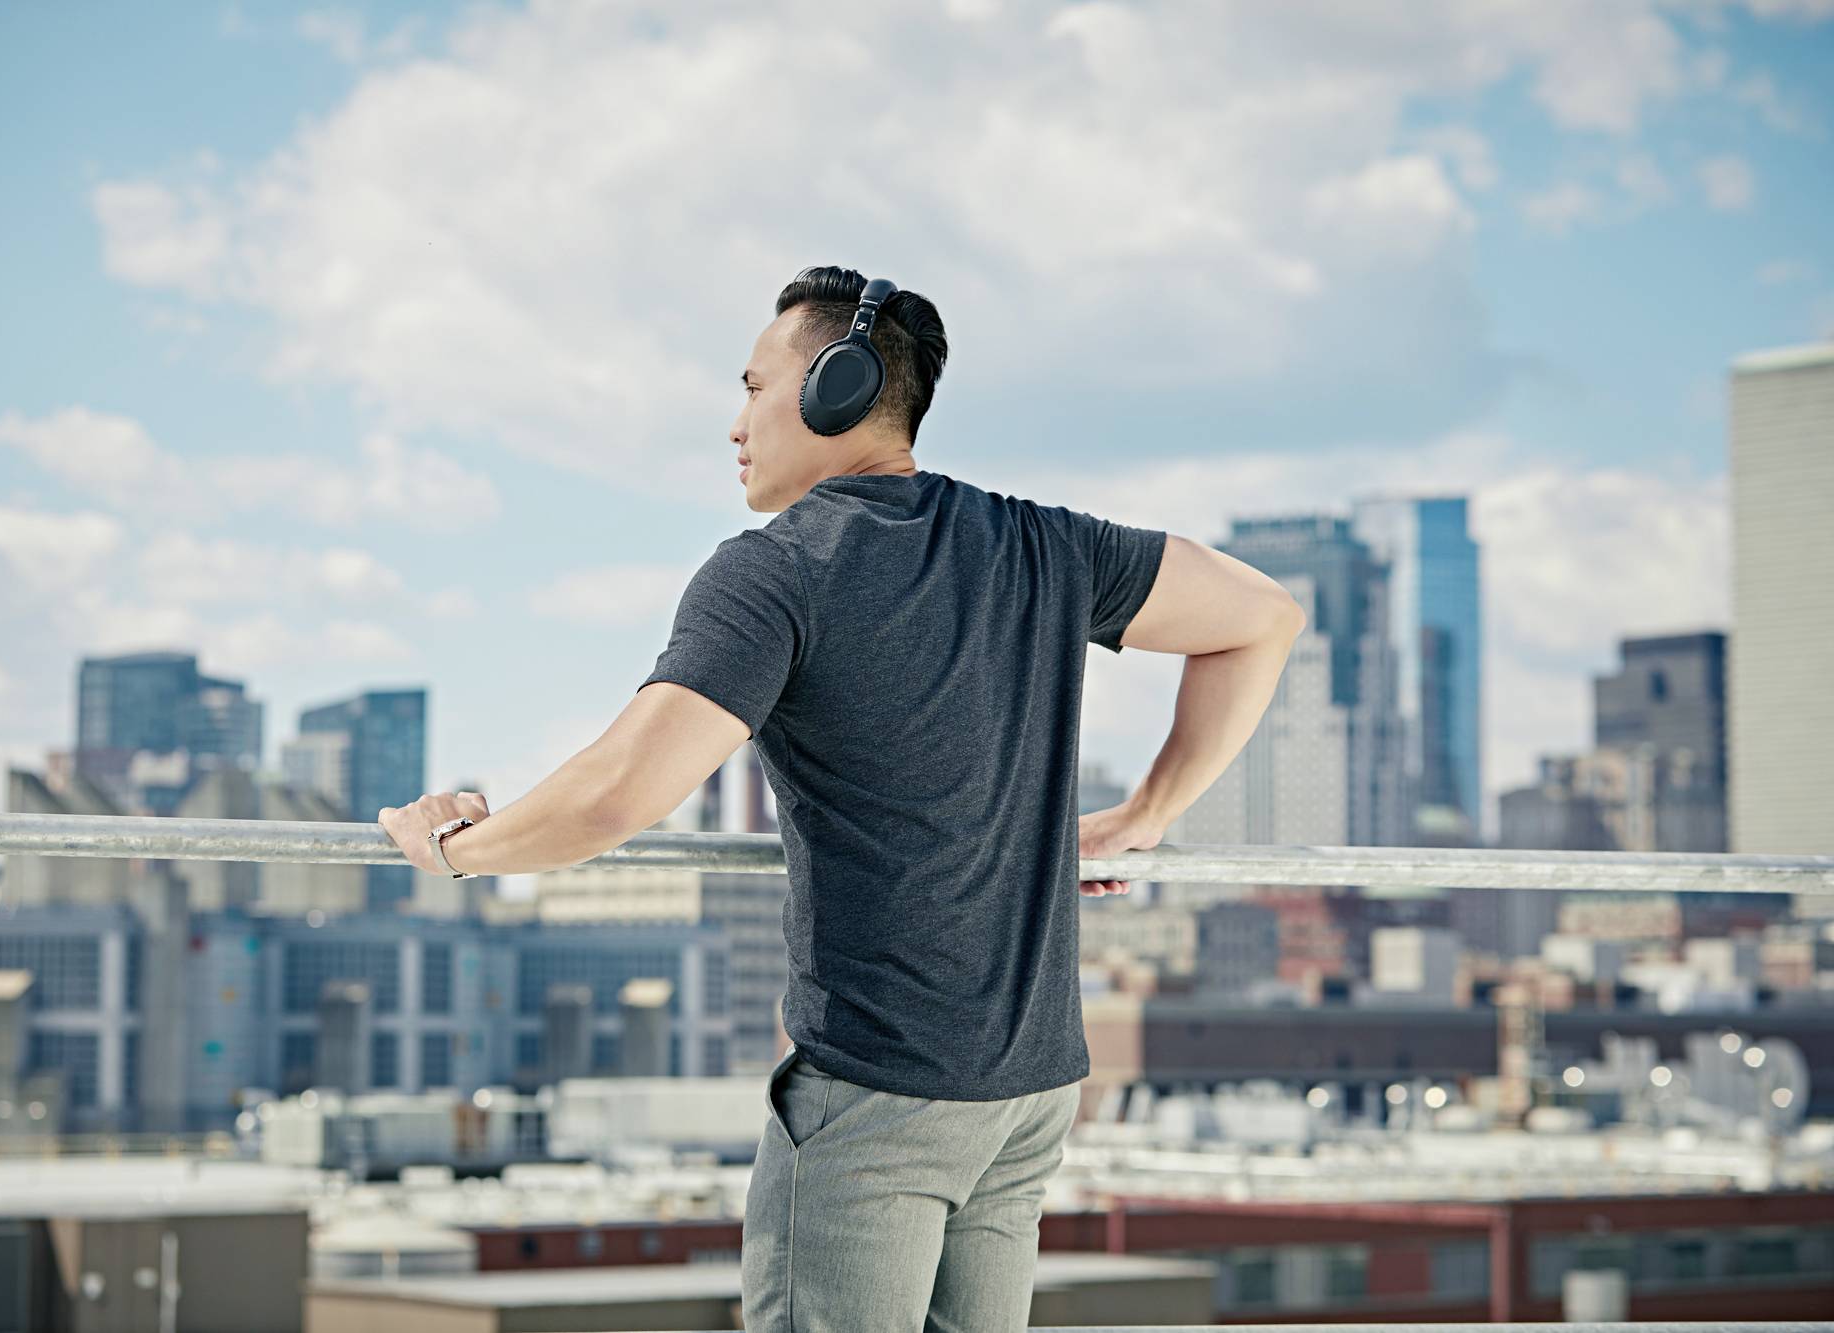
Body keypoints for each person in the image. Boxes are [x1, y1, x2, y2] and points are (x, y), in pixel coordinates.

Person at [379, 264, 1306, 1331]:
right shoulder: (1042, 544)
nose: (734, 424)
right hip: (1029, 1090)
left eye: (752, 387)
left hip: (878, 1096)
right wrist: (1151, 811)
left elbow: (617, 791)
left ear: (833, 387)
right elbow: (1259, 618)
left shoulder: (776, 572)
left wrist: (452, 849)